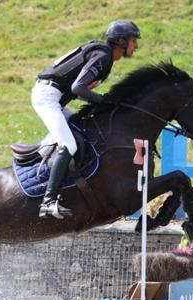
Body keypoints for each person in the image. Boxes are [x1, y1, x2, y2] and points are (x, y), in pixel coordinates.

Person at [34, 20, 140, 219]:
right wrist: (104, 101)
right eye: (134, 41)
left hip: (55, 97)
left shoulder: (103, 56)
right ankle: (48, 202)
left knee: (79, 128)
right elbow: (78, 88)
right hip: (48, 97)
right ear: (122, 40)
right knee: (69, 144)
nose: (136, 46)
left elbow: (78, 90)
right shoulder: (103, 56)